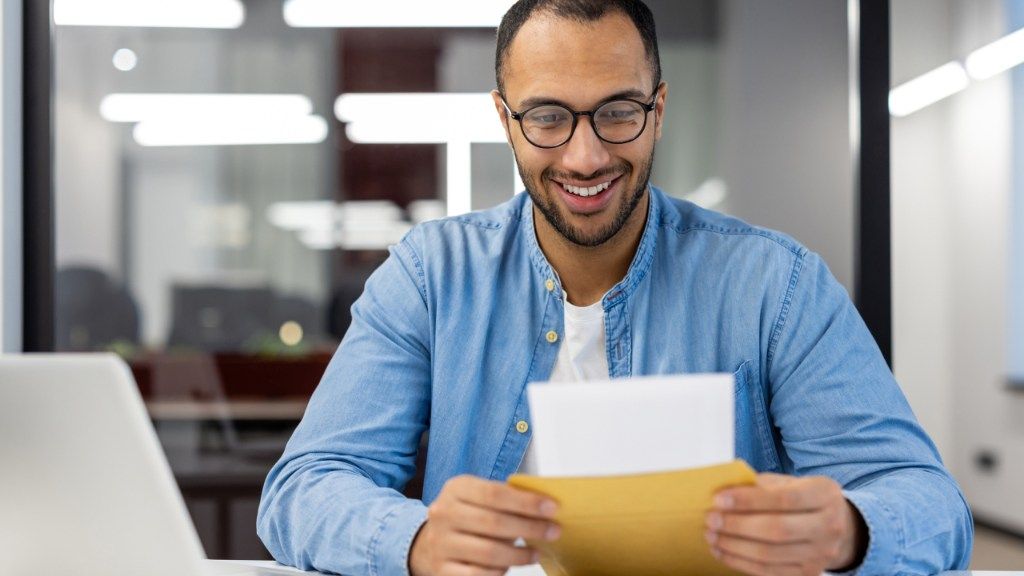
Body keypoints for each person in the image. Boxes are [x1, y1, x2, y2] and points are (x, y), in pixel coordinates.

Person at [257, 1, 973, 575]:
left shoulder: (776, 287)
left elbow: (932, 506)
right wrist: (412, 541)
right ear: (505, 119)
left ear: (658, 110)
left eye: (617, 112)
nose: (586, 154)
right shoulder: (430, 277)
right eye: (547, 117)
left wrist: (848, 531)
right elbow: (304, 487)